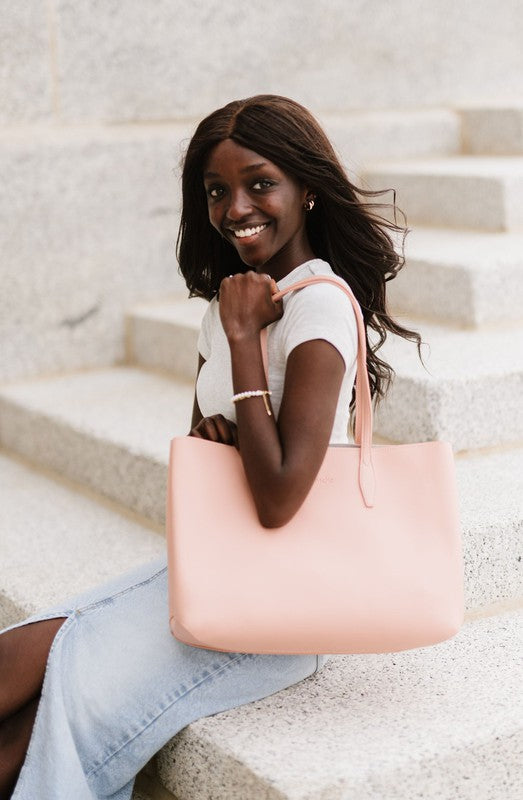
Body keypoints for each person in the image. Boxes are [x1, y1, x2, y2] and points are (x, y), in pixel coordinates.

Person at [0, 94, 422, 799]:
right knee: (20, 667)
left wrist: (244, 340)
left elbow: (280, 497)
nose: (236, 208)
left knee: (41, 702)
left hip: (281, 603)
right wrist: (214, 434)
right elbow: (205, 462)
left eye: (260, 183)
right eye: (216, 190)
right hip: (221, 565)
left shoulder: (317, 306)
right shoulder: (226, 309)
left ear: (307, 189)